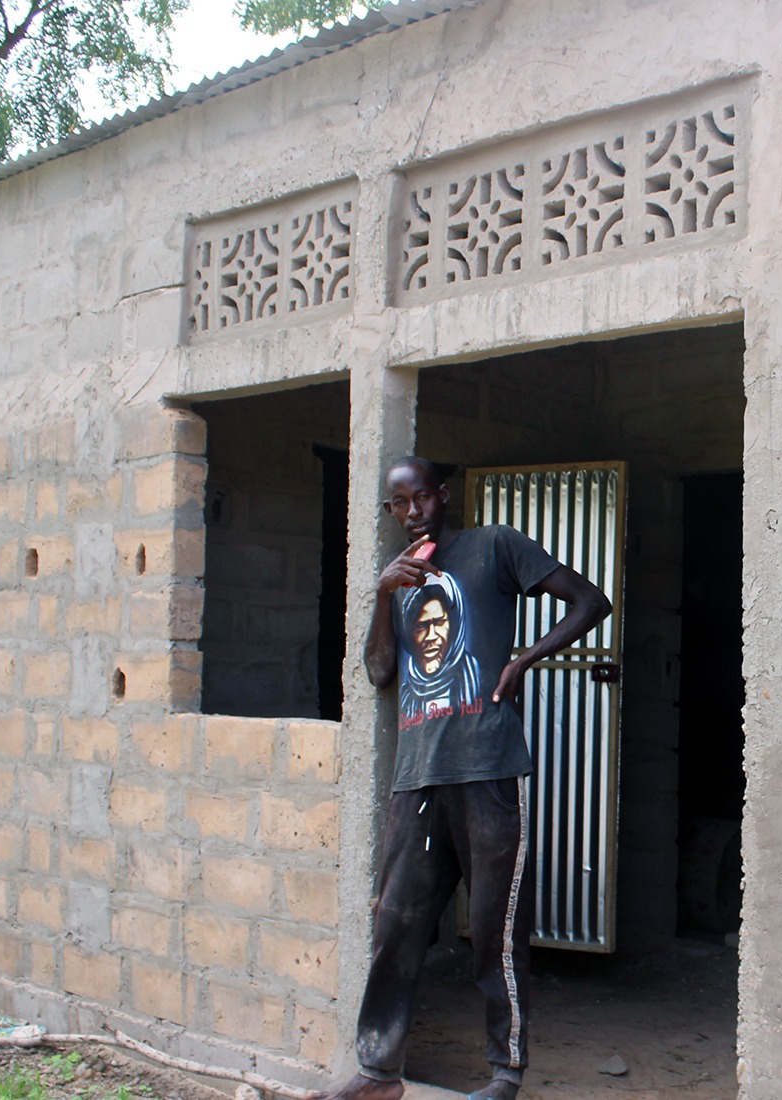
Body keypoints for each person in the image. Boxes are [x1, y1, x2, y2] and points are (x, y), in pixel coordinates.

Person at [315, 455, 612, 1100]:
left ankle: (505, 1073)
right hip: (418, 777)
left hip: (489, 768)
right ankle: (377, 1070)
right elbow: (379, 673)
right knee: (395, 919)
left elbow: (593, 601)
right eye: (401, 503)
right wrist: (381, 595)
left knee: (494, 928)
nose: (414, 510)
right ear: (391, 511)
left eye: (422, 497)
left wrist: (527, 658)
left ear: (442, 495)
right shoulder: (400, 580)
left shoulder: (492, 546)